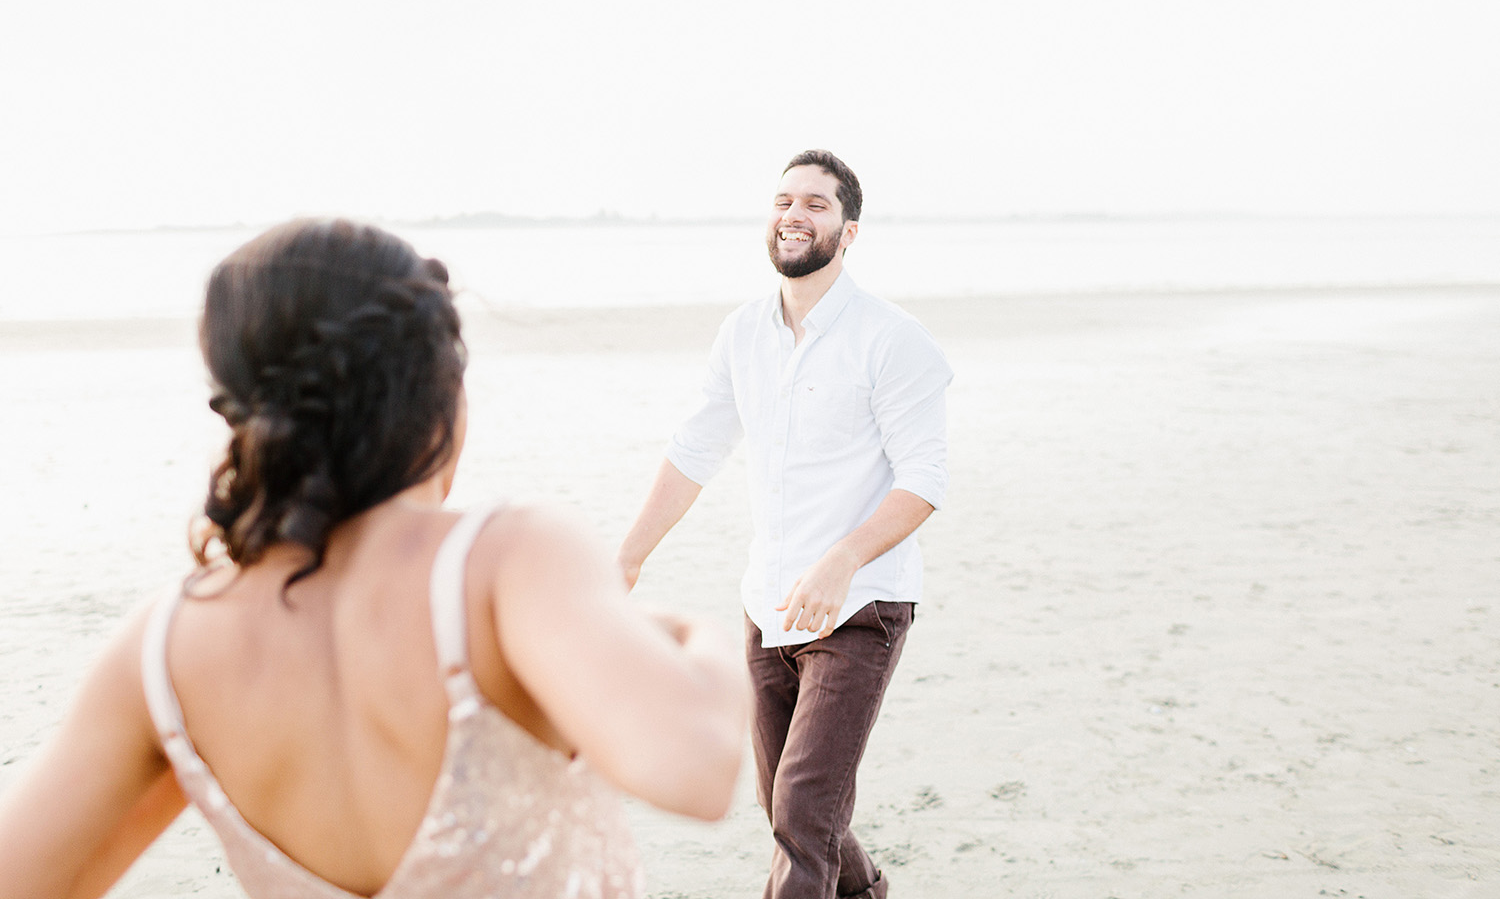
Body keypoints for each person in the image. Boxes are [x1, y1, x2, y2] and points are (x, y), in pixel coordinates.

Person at [0, 218, 748, 899]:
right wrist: (690, 634)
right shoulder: (504, 559)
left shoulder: (163, 651)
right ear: (437, 389)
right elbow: (698, 769)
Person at [617, 151, 952, 899]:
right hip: (766, 607)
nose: (794, 214)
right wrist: (628, 558)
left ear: (849, 230)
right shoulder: (742, 333)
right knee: (788, 807)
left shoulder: (892, 339)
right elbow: (695, 451)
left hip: (859, 607)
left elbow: (925, 479)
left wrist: (842, 560)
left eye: (817, 204)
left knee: (802, 814)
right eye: (783, 200)